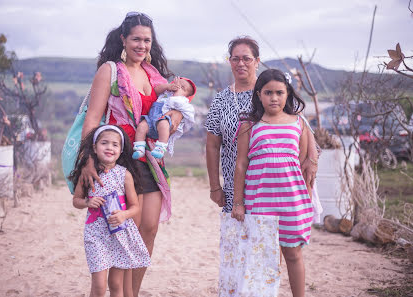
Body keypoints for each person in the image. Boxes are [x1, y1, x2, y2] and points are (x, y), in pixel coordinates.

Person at [80, 12, 182, 296]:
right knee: (126, 229)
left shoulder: (154, 75)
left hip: (150, 159)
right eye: (136, 38)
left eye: (147, 40)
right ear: (123, 39)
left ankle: (132, 293)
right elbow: (93, 120)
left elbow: (172, 109)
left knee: (148, 228)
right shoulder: (110, 71)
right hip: (118, 159)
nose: (142, 45)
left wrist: (173, 118)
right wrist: (88, 160)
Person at [205, 36, 318, 214]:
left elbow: (302, 126)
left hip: (281, 185)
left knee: (282, 237)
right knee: (241, 239)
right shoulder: (220, 100)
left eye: (246, 58)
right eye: (235, 59)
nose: (240, 63)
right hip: (236, 186)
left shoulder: (275, 90)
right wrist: (214, 187)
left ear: (257, 61)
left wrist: (311, 160)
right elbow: (212, 145)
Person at [232, 69, 313, 297]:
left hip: (291, 200)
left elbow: (302, 163)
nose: (274, 98)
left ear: (287, 94)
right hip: (260, 201)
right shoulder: (249, 124)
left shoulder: (299, 123)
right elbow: (241, 165)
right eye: (268, 93)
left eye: (279, 92)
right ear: (259, 94)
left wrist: (304, 195)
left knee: (293, 253)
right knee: (262, 257)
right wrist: (238, 202)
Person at [70, 125, 150, 297]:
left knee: (115, 285)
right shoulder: (88, 174)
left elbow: (135, 207)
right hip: (96, 234)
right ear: (94, 147)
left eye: (115, 145)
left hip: (119, 234)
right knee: (99, 286)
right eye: (104, 143)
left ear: (121, 150)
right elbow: (76, 201)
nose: (109, 147)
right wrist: (87, 201)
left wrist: (123, 214)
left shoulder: (125, 175)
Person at [132, 77, 196, 159]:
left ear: (186, 96)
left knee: (163, 124)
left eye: (182, 88)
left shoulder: (182, 100)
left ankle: (160, 147)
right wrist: (168, 86)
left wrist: (177, 92)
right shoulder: (166, 92)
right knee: (142, 126)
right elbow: (155, 90)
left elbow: (175, 102)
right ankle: (139, 148)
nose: (178, 86)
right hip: (151, 119)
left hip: (163, 119)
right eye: (178, 83)